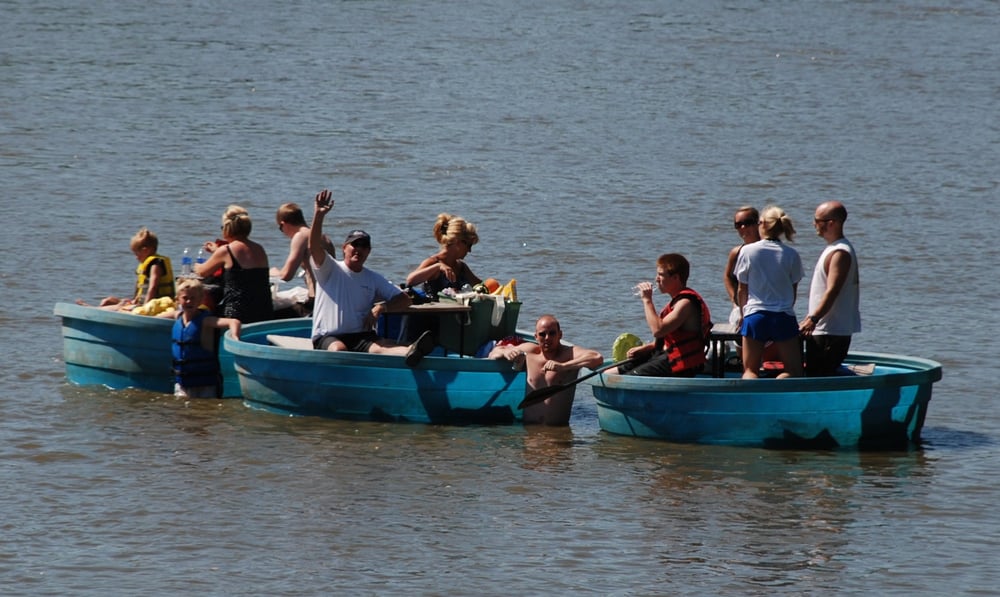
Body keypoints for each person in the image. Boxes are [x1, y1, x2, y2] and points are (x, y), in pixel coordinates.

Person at [308, 189, 435, 366]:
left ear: (369, 251)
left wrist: (381, 307)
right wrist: (318, 215)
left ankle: (412, 351)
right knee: (339, 350)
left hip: (361, 336)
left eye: (364, 246)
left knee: (382, 349)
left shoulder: (372, 278)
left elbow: (404, 300)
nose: (359, 249)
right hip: (329, 336)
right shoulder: (330, 268)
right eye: (355, 244)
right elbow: (314, 246)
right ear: (344, 247)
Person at [610, 253, 712, 377]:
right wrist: (647, 348)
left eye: (660, 275)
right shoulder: (677, 300)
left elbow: (658, 330)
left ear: (675, 278)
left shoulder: (686, 303)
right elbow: (668, 339)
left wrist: (647, 300)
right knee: (611, 373)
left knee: (626, 378)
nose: (656, 279)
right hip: (665, 355)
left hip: (680, 363)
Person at [489, 315, 603, 426]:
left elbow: (596, 357)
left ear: (560, 335)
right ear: (536, 337)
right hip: (529, 432)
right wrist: (505, 352)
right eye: (542, 334)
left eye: (552, 333)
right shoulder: (530, 351)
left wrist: (564, 366)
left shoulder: (569, 354)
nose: (547, 338)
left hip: (557, 433)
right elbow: (493, 354)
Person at [734, 205, 804, 379]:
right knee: (793, 371)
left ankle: (751, 402)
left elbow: (742, 289)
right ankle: (780, 396)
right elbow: (793, 292)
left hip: (755, 315)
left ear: (762, 224)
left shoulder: (748, 251)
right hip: (783, 315)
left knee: (750, 370)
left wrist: (743, 314)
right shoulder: (791, 254)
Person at [799, 201, 861, 376]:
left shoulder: (840, 253)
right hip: (824, 329)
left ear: (831, 223)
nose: (814, 224)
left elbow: (832, 290)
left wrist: (813, 318)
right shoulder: (833, 249)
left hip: (831, 331)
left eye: (817, 220)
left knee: (819, 376)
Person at [160, 279, 241, 399]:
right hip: (182, 383)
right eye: (185, 298)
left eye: (193, 298)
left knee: (204, 414)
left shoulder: (206, 321)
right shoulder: (177, 316)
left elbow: (234, 321)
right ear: (177, 299)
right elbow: (155, 317)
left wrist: (235, 337)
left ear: (201, 300)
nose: (189, 301)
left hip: (206, 385)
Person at [194, 205, 273, 324]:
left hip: (236, 313)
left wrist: (195, 264)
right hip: (264, 312)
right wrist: (217, 251)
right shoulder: (259, 249)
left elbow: (202, 271)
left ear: (227, 228)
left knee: (201, 319)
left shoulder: (226, 250)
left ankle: (206, 343)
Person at [84, 227, 175, 310]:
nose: (136, 257)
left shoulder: (156, 264)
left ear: (145, 250)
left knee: (119, 307)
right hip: (141, 303)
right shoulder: (145, 265)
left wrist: (145, 308)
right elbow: (140, 288)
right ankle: (96, 310)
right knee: (107, 301)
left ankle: (93, 310)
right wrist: (134, 300)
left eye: (137, 254)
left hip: (155, 305)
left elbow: (153, 287)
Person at [270, 202, 336, 315]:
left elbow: (286, 276)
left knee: (267, 314)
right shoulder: (324, 238)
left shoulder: (300, 236)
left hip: (314, 303)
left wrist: (270, 271)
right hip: (331, 298)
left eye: (281, 229)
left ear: (283, 224)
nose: (284, 234)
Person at [405, 212, 482, 295]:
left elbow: (481, 285)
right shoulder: (434, 262)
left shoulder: (462, 267)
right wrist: (438, 267)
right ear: (458, 242)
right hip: (434, 307)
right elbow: (410, 281)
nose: (469, 250)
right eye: (469, 245)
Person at [724, 206, 760, 326]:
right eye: (738, 225)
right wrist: (734, 301)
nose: (743, 227)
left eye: (748, 223)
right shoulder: (736, 252)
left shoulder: (768, 249)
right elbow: (727, 276)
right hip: (741, 309)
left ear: (757, 223)